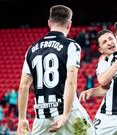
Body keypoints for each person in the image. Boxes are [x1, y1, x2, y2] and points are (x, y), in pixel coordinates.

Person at [17, 5, 96, 135]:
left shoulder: (31, 49)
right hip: (69, 113)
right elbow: (71, 81)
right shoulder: (71, 45)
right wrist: (65, 115)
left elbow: (23, 86)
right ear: (69, 24)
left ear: (49, 23)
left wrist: (22, 118)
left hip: (42, 117)